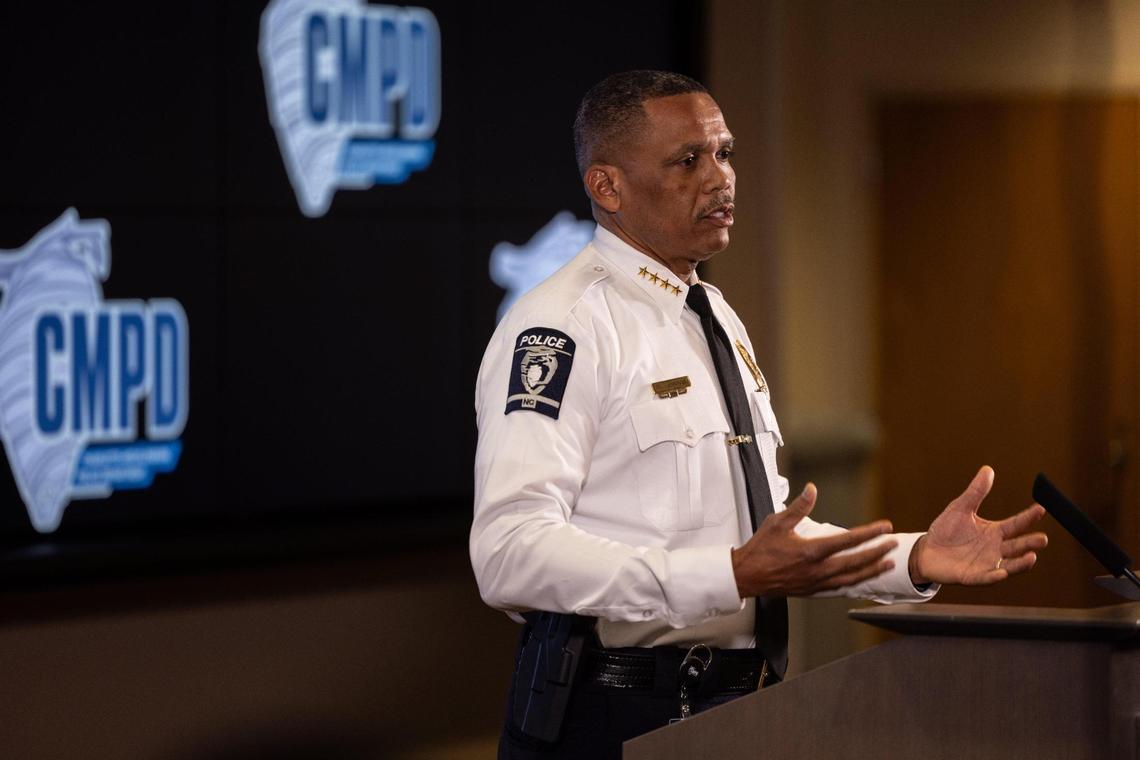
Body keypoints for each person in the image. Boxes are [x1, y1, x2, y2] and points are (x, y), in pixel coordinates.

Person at [470, 70, 1048, 759]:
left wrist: (912, 557)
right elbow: (509, 554)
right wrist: (730, 574)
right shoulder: (561, 328)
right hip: (612, 714)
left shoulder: (712, 314)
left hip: (744, 704)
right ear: (608, 187)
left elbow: (765, 539)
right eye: (689, 161)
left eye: (725, 153)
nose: (721, 179)